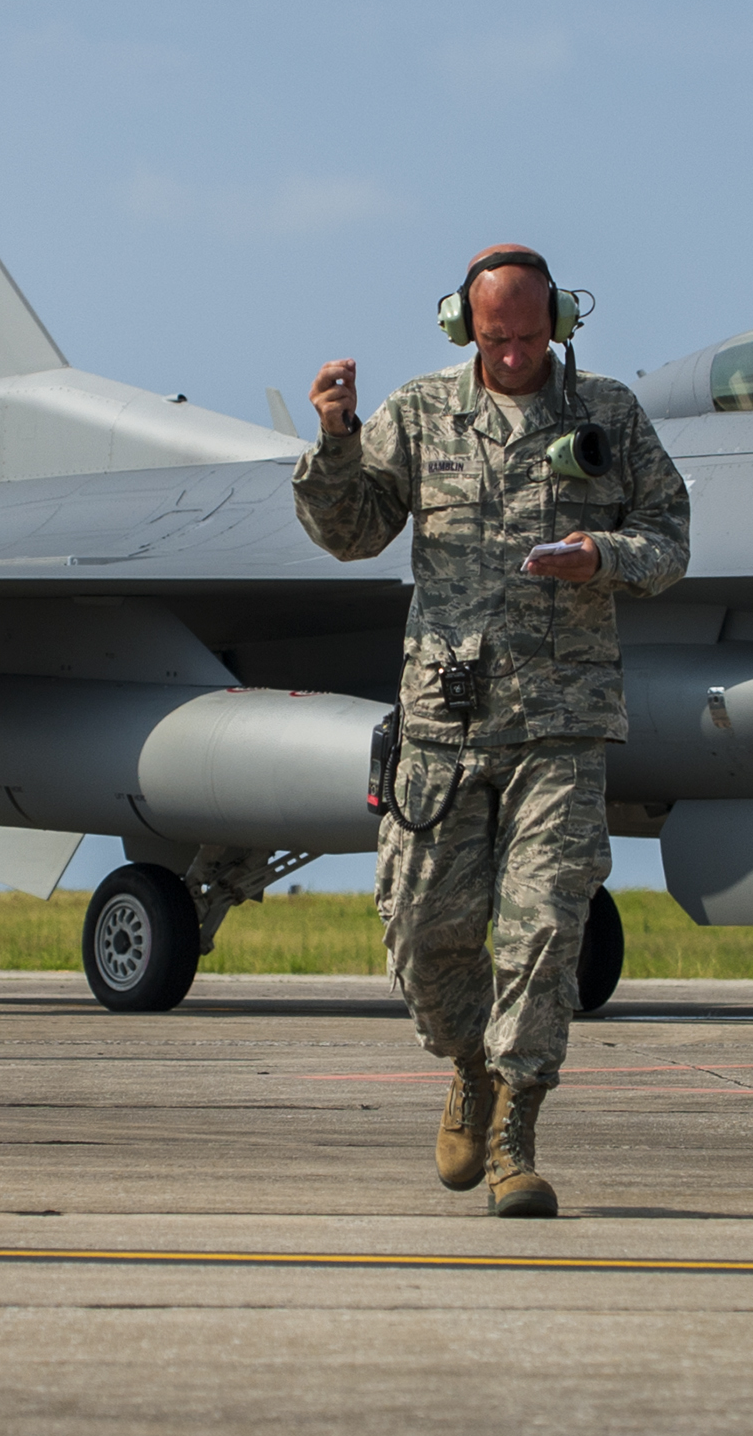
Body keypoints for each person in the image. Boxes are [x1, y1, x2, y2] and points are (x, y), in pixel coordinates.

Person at [295, 246, 691, 1217]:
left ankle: (516, 1134)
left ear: (554, 322)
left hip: (560, 719)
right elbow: (350, 532)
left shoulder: (608, 414)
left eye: (526, 335)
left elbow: (671, 537)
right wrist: (339, 437)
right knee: (426, 933)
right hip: (443, 715)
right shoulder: (422, 413)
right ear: (463, 325)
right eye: (492, 335)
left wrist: (603, 553)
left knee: (546, 929)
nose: (511, 354)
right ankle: (467, 1064)